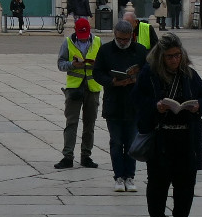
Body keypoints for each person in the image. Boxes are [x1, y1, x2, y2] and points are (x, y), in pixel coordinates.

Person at [134, 33, 202, 217]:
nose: (174, 60)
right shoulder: (149, 74)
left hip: (187, 137)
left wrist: (198, 106)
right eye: (169, 56)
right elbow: (138, 100)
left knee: (186, 185)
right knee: (158, 184)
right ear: (161, 56)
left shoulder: (189, 74)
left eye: (177, 55)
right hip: (161, 138)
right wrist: (156, 106)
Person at [92, 17, 148, 192]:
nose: (123, 42)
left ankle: (129, 176)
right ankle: (118, 176)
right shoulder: (105, 50)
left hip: (133, 104)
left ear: (131, 36)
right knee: (116, 142)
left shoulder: (140, 50)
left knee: (131, 142)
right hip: (114, 103)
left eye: (126, 39)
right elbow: (97, 72)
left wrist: (136, 78)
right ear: (115, 35)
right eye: (119, 39)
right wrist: (112, 82)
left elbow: (148, 73)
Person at [55, 17, 101, 170]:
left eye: (85, 35)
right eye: (81, 36)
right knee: (71, 122)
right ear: (75, 31)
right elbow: (60, 64)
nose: (83, 38)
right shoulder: (68, 42)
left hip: (92, 88)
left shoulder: (98, 42)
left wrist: (96, 65)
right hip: (74, 88)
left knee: (90, 123)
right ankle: (68, 156)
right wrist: (72, 65)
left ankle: (86, 155)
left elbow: (104, 63)